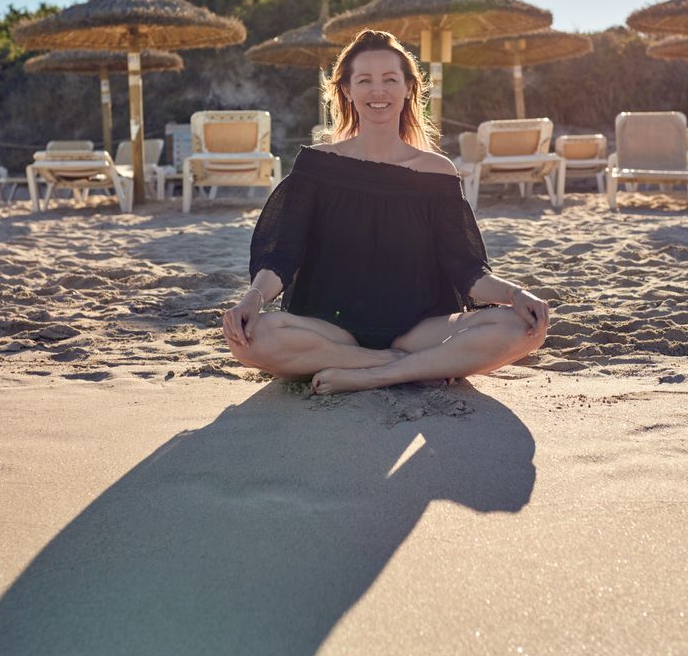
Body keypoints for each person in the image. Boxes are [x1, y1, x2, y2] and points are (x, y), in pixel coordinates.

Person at [223, 29, 550, 395]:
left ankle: (372, 374)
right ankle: (396, 367)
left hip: (418, 329)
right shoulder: (318, 165)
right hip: (331, 329)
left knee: (523, 327)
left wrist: (517, 294)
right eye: (365, 80)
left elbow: (468, 271)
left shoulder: (436, 171)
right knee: (251, 338)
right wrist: (251, 298)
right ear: (347, 90)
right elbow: (282, 254)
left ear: (409, 88)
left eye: (389, 79)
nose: (378, 91)